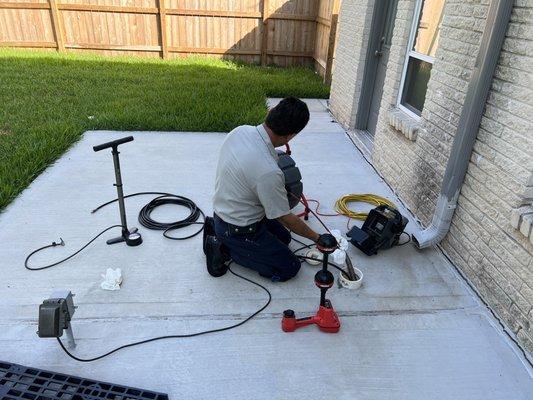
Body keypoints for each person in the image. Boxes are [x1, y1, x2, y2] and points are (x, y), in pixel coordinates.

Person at [203, 97, 322, 282]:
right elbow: (285, 217)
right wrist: (317, 238)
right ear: (290, 135)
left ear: (270, 111)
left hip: (228, 212)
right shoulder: (268, 172)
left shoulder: (240, 131)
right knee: (289, 268)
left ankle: (220, 232)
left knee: (285, 239)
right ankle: (223, 247)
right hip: (238, 228)